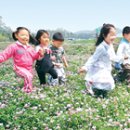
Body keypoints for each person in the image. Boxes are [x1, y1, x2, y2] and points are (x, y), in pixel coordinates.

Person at [0, 27, 44, 93]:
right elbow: (4, 55)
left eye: (27, 35)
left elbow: (35, 57)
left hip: (29, 68)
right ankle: (27, 92)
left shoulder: (30, 47)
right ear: (16, 35)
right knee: (28, 76)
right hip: (19, 67)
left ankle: (27, 89)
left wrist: (39, 53)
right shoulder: (14, 46)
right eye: (23, 35)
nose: (25, 37)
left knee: (29, 77)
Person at [78, 24, 116, 98]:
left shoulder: (110, 45)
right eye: (111, 35)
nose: (113, 37)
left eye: (114, 35)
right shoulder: (101, 47)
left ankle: (98, 92)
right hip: (99, 68)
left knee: (107, 84)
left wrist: (123, 58)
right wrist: (85, 67)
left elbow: (113, 57)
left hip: (106, 67)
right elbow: (93, 58)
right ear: (104, 35)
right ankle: (91, 87)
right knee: (107, 82)